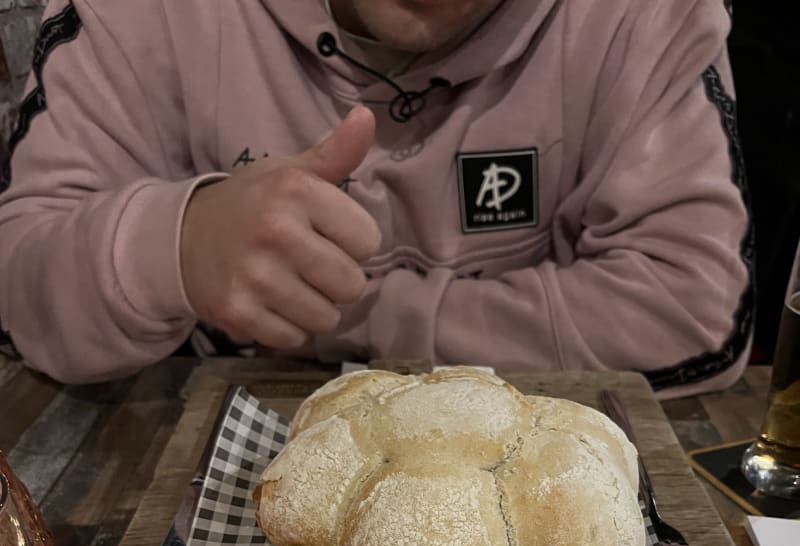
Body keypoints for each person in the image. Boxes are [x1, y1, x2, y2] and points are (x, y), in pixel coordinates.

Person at [0, 0, 752, 396]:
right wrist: (177, 244)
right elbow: (18, 288)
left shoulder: (648, 14)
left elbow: (696, 319)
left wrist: (355, 317)